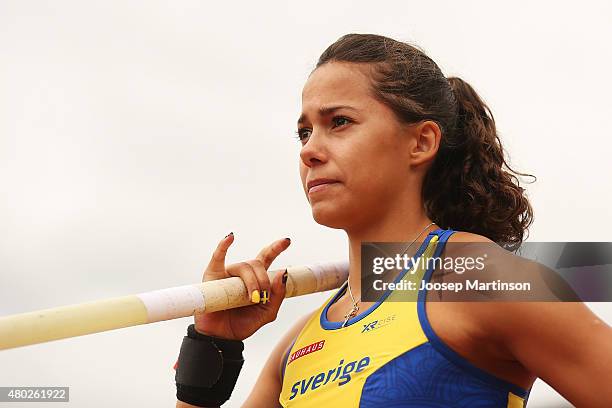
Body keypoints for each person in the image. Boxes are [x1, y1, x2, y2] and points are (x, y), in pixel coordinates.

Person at [174, 33, 612, 407]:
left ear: (421, 142)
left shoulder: (480, 278)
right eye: (304, 132)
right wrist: (213, 342)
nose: (309, 150)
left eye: (339, 122)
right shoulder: (297, 347)